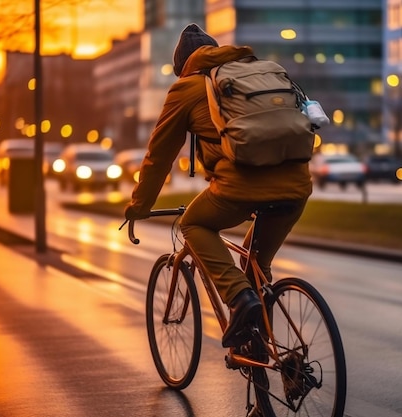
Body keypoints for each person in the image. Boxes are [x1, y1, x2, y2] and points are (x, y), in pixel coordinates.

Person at [124, 24, 313, 348]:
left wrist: (139, 206)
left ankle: (240, 299)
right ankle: (271, 354)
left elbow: (159, 155)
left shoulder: (186, 88)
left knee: (194, 222)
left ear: (182, 66)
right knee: (256, 266)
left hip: (240, 189)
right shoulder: (258, 75)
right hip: (296, 187)